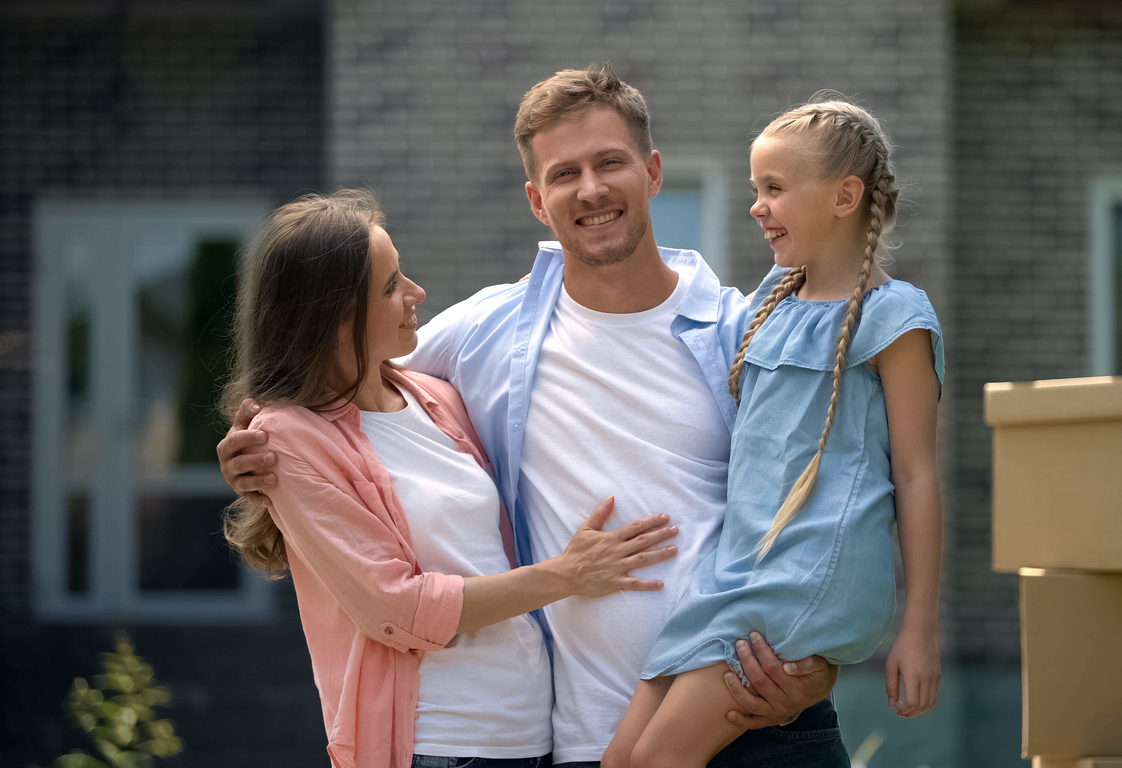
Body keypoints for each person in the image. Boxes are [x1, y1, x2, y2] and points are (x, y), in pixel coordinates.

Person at [218, 67, 846, 767]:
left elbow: (833, 511)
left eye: (610, 162)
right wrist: (253, 452)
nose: (591, 189)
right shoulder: (485, 333)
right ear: (535, 200)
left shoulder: (747, 334)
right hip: (589, 740)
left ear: (653, 172)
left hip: (756, 718)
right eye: (563, 173)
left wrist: (819, 666)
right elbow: (334, 381)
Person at [219, 190, 680, 768]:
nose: (415, 294)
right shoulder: (290, 439)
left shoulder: (432, 395)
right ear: (332, 317)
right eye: (389, 287)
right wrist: (569, 574)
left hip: (530, 735)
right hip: (436, 743)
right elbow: (399, 609)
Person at [602, 97, 945, 768]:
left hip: (809, 573)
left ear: (845, 196)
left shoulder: (894, 317)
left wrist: (918, 629)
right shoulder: (772, 300)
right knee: (621, 759)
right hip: (737, 571)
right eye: (756, 189)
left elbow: (916, 474)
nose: (756, 206)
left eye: (775, 189)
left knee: (657, 760)